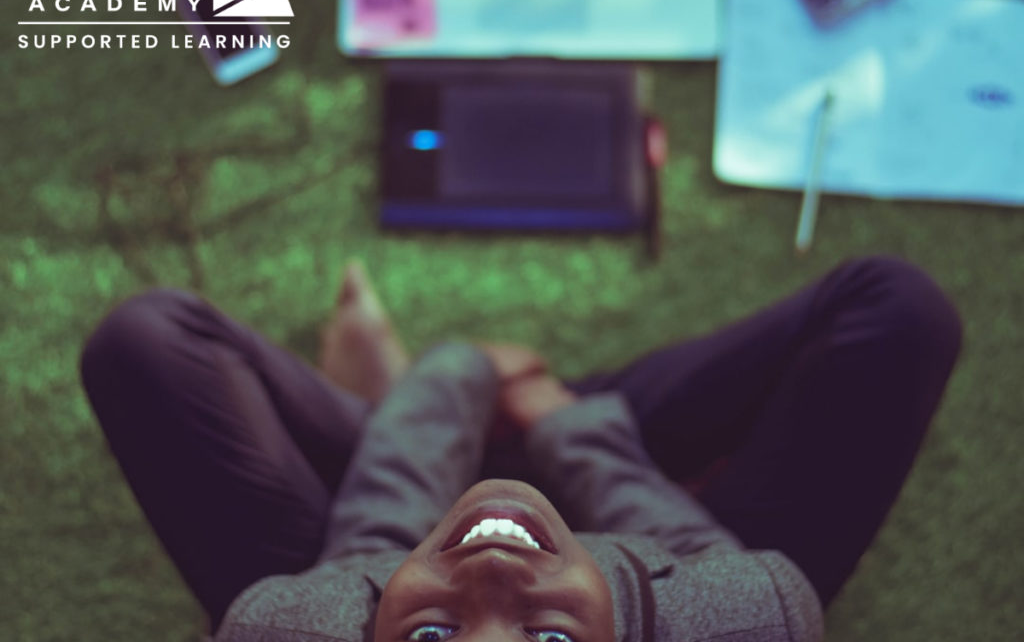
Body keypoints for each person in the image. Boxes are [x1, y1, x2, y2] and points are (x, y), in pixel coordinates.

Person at [79, 256, 961, 642]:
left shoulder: (306, 624)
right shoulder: (735, 616)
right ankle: (505, 412)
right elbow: (687, 555)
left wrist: (453, 377)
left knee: (144, 341)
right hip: (654, 506)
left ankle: (396, 404)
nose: (491, 577)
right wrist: (557, 417)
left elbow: (379, 539)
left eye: (433, 640)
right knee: (899, 310)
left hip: (396, 531)